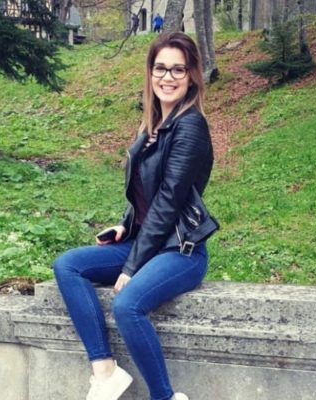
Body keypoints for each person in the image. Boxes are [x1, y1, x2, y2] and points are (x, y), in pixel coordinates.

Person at [53, 32, 218, 400]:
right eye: (161, 68)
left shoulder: (190, 125)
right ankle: (105, 372)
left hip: (180, 250)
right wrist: (125, 224)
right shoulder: (152, 125)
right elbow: (147, 191)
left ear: (192, 76)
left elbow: (170, 200)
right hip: (145, 240)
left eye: (178, 69)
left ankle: (164, 397)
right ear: (150, 72)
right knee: (68, 266)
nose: (168, 77)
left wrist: (132, 266)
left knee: (128, 306)